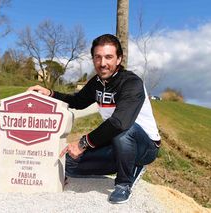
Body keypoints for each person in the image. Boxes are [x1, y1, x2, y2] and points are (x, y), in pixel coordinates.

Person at [27, 34, 161, 204]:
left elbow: (119, 123)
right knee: (68, 164)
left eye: (109, 57)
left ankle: (123, 183)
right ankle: (127, 164)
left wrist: (83, 143)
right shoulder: (96, 83)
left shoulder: (131, 83)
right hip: (116, 142)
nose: (103, 63)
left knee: (123, 130)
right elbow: (77, 101)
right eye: (98, 57)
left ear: (119, 59)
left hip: (145, 145)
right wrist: (51, 93)